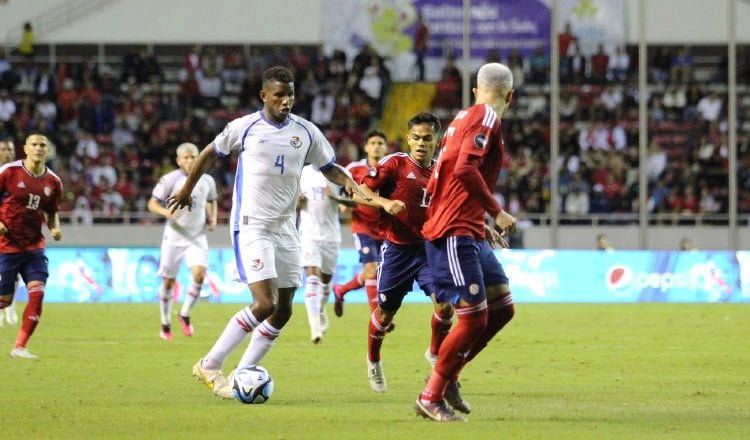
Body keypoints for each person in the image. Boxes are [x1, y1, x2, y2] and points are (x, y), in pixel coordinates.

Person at [167, 66, 366, 399]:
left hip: (287, 227)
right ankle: (210, 363)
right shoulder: (244, 127)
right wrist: (187, 189)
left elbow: (329, 167)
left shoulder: (306, 131)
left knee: (284, 309)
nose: (286, 101)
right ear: (264, 96)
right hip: (252, 225)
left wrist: (353, 185)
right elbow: (207, 154)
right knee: (264, 302)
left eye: (290, 95)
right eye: (279, 95)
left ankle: (242, 373)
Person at [415, 63, 518, 422]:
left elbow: (444, 175)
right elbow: (463, 170)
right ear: (511, 96)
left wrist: (480, 219)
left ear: (476, 90)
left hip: (468, 227)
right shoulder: (487, 116)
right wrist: (496, 212)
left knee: (503, 308)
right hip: (455, 231)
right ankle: (431, 395)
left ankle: (449, 377)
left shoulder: (463, 117)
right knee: (473, 319)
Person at [355, 112, 447, 393]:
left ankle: (433, 353)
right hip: (397, 251)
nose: (421, 143)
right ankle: (373, 360)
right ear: (408, 138)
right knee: (384, 315)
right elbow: (359, 193)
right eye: (416, 138)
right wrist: (385, 203)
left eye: (427, 138)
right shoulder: (394, 164)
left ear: (437, 141)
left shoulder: (444, 170)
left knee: (445, 306)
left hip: (430, 249)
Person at [0, 132, 63, 359]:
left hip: (34, 247)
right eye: (34, 144)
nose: (38, 148)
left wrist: (54, 227)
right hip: (6, 246)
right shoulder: (8, 172)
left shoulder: (53, 182)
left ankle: (20, 347)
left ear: (48, 150)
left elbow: (52, 211)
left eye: (43, 145)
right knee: (4, 300)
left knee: (37, 293)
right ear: (25, 148)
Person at [147, 142, 218, 340]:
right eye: (185, 157)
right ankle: (165, 321)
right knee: (169, 281)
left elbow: (211, 200)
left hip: (197, 235)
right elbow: (152, 203)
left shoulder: (207, 181)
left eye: (193, 156)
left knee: (199, 274)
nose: (189, 160)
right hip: (175, 235)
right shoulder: (169, 180)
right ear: (178, 161)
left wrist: (212, 217)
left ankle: (185, 313)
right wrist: (165, 212)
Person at [333, 130, 388, 316]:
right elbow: (342, 191)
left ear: (386, 147)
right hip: (363, 227)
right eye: (373, 143)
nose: (377, 146)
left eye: (380, 143)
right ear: (365, 147)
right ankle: (377, 317)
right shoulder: (354, 169)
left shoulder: (392, 167)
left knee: (374, 274)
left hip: (385, 229)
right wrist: (343, 204)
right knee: (372, 270)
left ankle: (341, 290)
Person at [297, 164, 354, 344]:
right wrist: (298, 202)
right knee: (312, 279)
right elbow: (291, 202)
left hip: (331, 237)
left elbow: (353, 206)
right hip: (308, 234)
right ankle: (315, 327)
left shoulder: (339, 173)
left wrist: (335, 197)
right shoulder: (301, 172)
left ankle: (319, 309)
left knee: (326, 281)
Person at [0, 138, 18, 326]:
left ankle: (10, 308)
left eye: (9, 149)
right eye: (3, 149)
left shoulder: (22, 173)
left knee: (15, 272)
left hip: (17, 227)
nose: (6, 152)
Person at [413, 12, 429, 81]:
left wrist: (420, 46)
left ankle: (422, 77)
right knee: (418, 62)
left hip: (421, 47)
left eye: (419, 19)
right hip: (417, 47)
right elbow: (417, 38)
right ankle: (419, 76)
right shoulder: (418, 27)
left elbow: (425, 38)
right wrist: (415, 46)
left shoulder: (424, 27)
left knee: (421, 62)